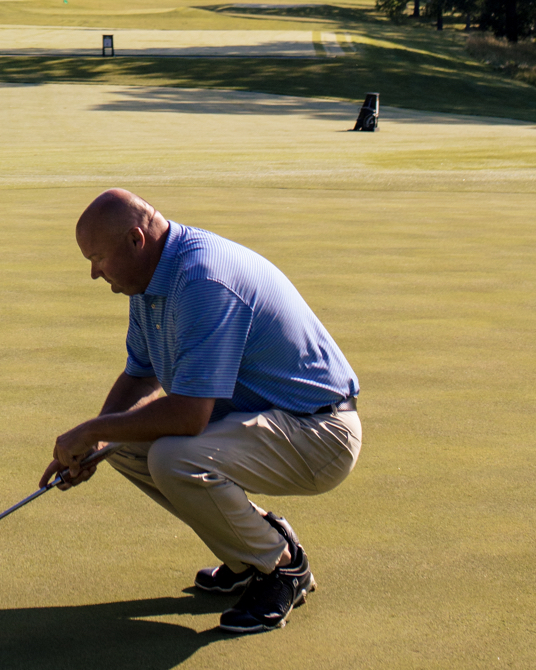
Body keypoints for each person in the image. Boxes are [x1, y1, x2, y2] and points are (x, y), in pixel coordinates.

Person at [40, 189, 362, 634]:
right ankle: (248, 558)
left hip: (320, 431)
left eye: (97, 258)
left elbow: (189, 417)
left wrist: (92, 427)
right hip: (269, 424)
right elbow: (140, 376)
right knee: (121, 447)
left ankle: (282, 568)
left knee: (174, 458)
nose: (95, 274)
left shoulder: (201, 279)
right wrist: (94, 442)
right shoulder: (149, 282)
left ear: (136, 240)